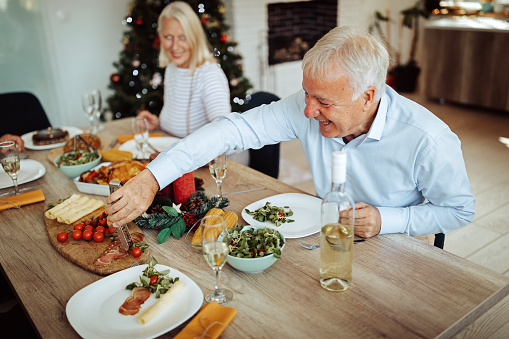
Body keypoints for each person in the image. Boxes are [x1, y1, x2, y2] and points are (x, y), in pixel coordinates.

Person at [106, 26, 475, 240]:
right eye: (306, 94)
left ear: (367, 97)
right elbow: (232, 129)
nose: (308, 111)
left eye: (323, 102)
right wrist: (152, 178)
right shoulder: (309, 106)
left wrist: (388, 220)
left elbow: (460, 210)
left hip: (397, 252)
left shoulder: (428, 139)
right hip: (323, 238)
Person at [137, 1, 230, 138]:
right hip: (172, 144)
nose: (175, 47)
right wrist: (157, 123)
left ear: (195, 37)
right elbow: (178, 121)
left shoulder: (209, 75)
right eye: (168, 37)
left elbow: (225, 131)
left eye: (182, 37)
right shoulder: (172, 68)